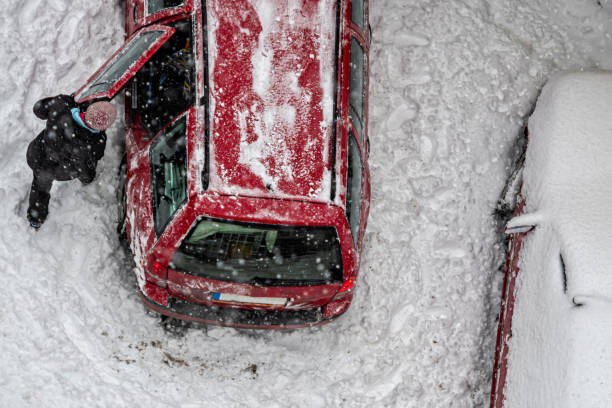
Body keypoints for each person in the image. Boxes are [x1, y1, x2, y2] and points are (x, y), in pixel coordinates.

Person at [26, 94, 117, 229]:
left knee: (40, 187)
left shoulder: (63, 105)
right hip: (58, 171)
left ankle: (36, 218)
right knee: (44, 182)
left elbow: (38, 109)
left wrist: (64, 100)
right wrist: (88, 177)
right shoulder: (95, 144)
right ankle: (36, 216)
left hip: (37, 152)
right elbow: (84, 172)